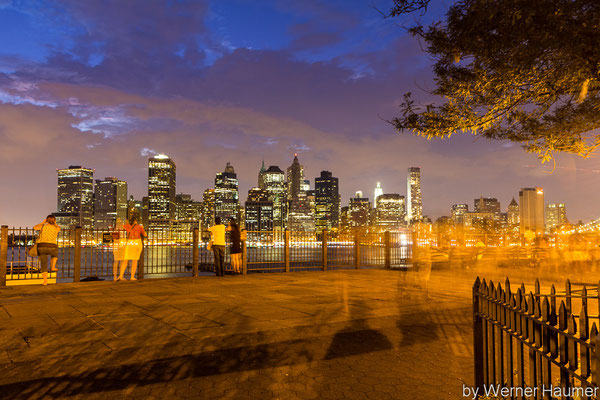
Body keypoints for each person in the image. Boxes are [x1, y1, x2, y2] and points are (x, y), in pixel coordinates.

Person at [33, 215, 60, 286]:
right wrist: (55, 223)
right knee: (55, 254)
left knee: (44, 264)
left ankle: (45, 281)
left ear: (46, 220)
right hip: (52, 246)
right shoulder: (56, 227)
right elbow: (59, 228)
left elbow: (35, 227)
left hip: (42, 246)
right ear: (54, 220)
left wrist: (43, 222)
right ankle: (53, 266)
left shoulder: (43, 226)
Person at [118, 215, 147, 281]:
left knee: (125, 260)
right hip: (137, 242)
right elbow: (145, 235)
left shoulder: (127, 226)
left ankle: (121, 276)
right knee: (135, 260)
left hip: (130, 243)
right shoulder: (139, 227)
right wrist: (142, 228)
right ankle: (132, 277)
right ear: (135, 221)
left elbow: (122, 226)